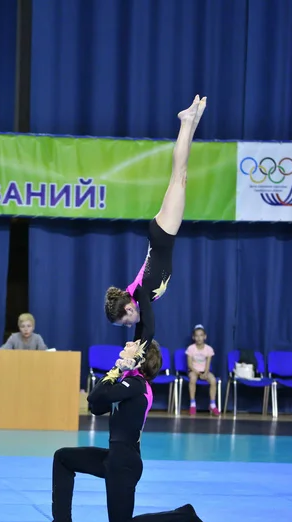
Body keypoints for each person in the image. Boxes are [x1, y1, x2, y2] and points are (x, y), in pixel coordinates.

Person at [33, 340, 209, 522]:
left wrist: (116, 369)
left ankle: (184, 516)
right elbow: (97, 406)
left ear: (138, 359)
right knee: (63, 457)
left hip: (125, 464)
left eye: (131, 346)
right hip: (114, 459)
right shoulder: (128, 384)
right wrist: (116, 375)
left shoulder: (136, 385)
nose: (126, 344)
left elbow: (94, 396)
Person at [104, 95, 207, 369]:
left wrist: (134, 356)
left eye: (124, 322)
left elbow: (149, 330)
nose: (129, 327)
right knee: (180, 175)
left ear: (128, 309)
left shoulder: (139, 294)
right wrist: (133, 352)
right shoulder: (136, 297)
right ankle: (191, 122)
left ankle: (187, 122)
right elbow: (142, 331)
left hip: (163, 234)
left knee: (179, 174)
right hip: (162, 234)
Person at [186, 324, 219, 416]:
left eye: (201, 335)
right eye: (196, 336)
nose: (199, 338)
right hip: (193, 371)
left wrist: (205, 373)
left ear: (205, 337)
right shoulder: (191, 349)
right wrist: (197, 373)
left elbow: (208, 364)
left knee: (213, 380)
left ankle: (212, 404)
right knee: (192, 379)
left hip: (204, 371)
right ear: (193, 337)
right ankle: (192, 404)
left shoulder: (209, 349)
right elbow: (189, 364)